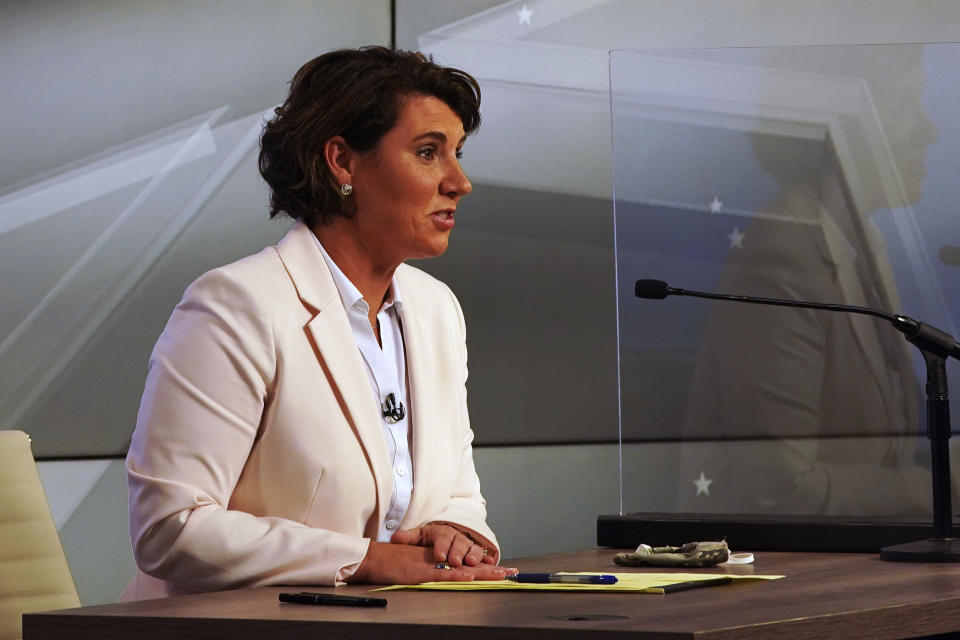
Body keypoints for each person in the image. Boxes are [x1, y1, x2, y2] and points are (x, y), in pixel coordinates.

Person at [124, 47, 514, 598]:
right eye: (429, 153)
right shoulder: (236, 306)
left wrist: (457, 530)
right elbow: (171, 529)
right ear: (342, 162)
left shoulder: (436, 309)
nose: (460, 181)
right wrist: (364, 560)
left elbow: (457, 491)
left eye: (457, 153)